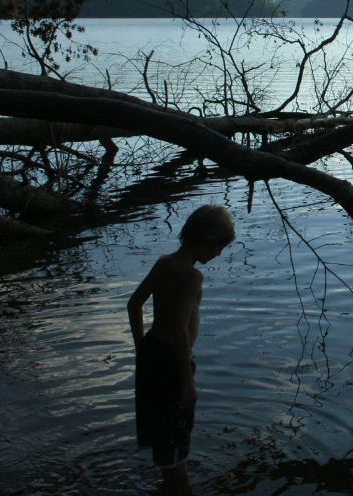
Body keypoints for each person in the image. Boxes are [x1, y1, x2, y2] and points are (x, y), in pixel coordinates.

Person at [127, 204, 235, 495]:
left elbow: (134, 304)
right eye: (220, 248)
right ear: (208, 240)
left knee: (162, 429)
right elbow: (177, 327)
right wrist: (187, 379)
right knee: (177, 431)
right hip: (173, 360)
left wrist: (141, 348)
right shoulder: (192, 276)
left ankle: (170, 482)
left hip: (153, 352)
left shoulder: (164, 263)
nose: (218, 255)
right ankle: (179, 487)